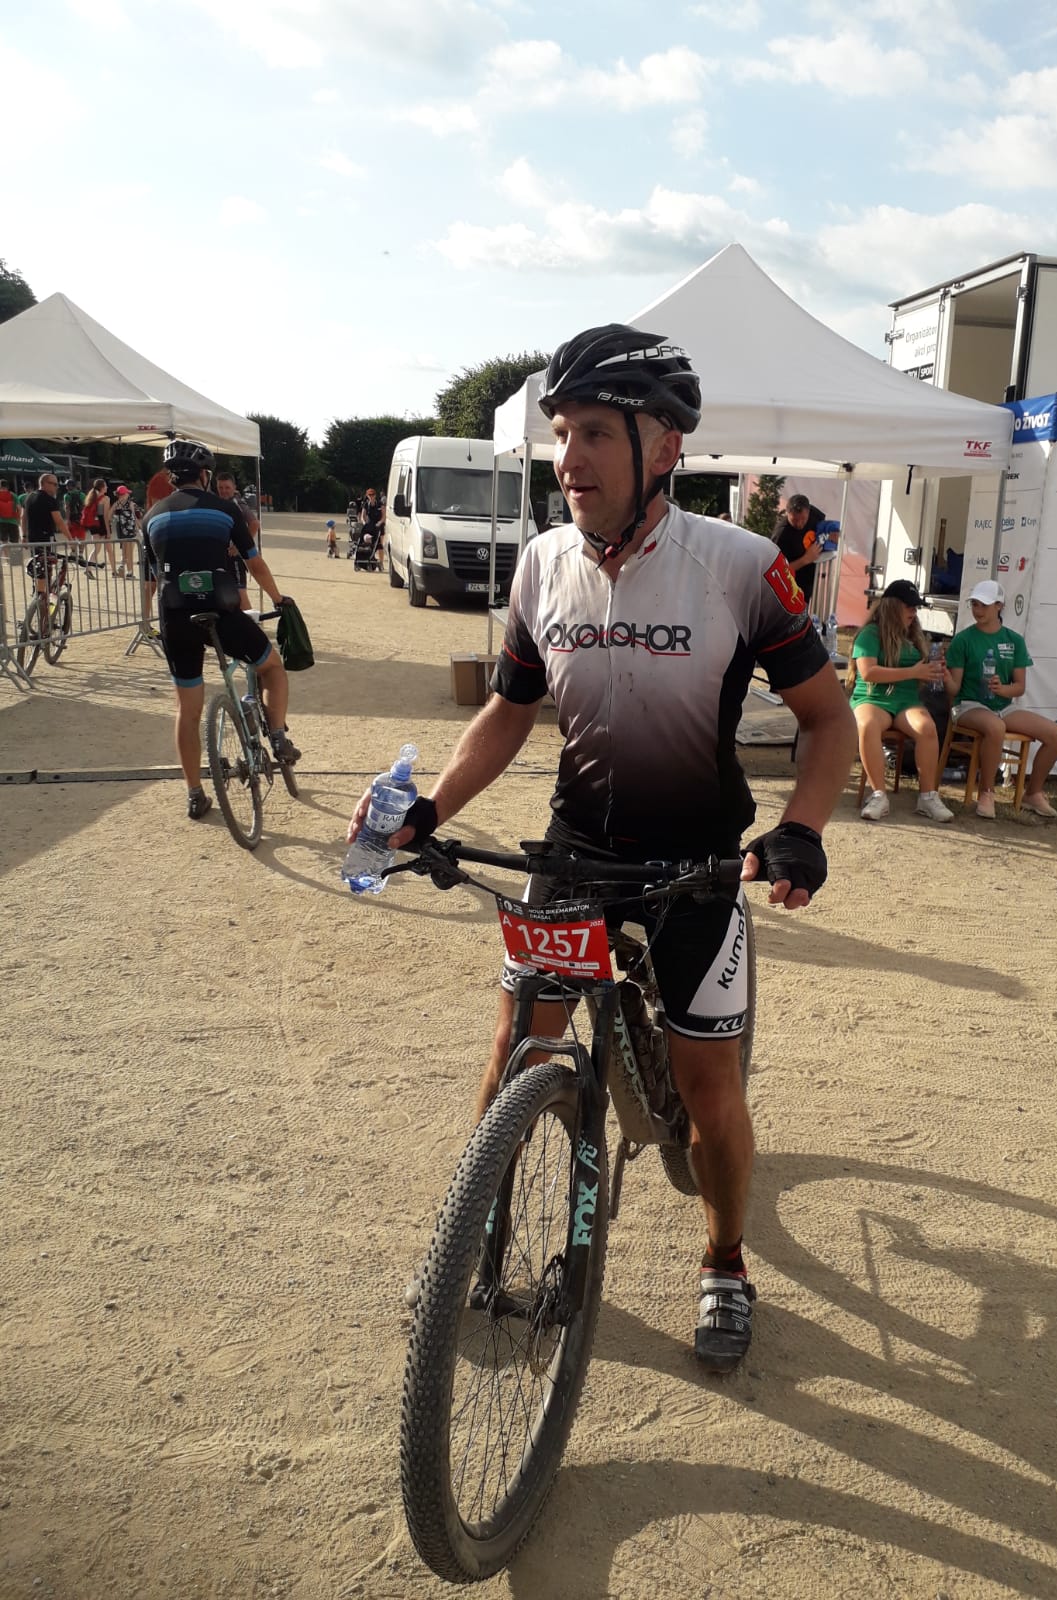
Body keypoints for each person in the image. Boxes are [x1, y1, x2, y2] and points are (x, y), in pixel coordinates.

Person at [348, 325, 857, 1372]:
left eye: (591, 433)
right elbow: (507, 711)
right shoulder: (541, 564)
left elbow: (826, 719)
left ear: (663, 446)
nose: (567, 459)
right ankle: (476, 1244)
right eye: (560, 435)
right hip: (576, 854)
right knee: (518, 1047)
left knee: (708, 1089)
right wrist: (430, 809)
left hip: (694, 865)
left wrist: (800, 828)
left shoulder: (742, 566)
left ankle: (724, 1260)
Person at [144, 441, 300, 821]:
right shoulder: (225, 509)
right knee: (272, 668)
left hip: (175, 616)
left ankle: (195, 794)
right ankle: (277, 736)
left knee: (187, 710)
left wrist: (148, 618)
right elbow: (254, 563)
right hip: (221, 610)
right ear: (205, 475)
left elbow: (151, 577)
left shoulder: (151, 517)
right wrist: (278, 599)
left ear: (170, 477)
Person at [943, 579, 1057, 820]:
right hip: (968, 705)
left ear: (999, 606)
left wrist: (1002, 689)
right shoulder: (963, 639)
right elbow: (954, 689)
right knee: (995, 726)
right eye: (975, 604)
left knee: (1056, 734)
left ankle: (1033, 793)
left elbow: (1019, 687)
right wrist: (944, 677)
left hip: (1004, 706)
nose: (978, 610)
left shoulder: (1015, 640)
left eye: (984, 605)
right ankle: (987, 793)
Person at [848, 578, 954, 823]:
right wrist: (913, 672)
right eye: (909, 606)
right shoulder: (870, 634)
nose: (914, 612)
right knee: (868, 725)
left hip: (906, 700)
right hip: (872, 698)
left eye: (916, 607)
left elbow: (920, 672)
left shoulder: (914, 635)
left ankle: (928, 797)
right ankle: (878, 795)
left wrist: (933, 670)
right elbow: (868, 673)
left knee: (927, 727)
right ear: (892, 606)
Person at [22, 472, 71, 629]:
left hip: (33, 540)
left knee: (40, 572)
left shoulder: (29, 497)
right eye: (54, 484)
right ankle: (45, 615)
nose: (56, 487)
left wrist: (24, 536)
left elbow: (23, 517)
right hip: (46, 540)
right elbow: (59, 521)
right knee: (47, 576)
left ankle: (39, 599)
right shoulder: (49, 500)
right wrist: (71, 540)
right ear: (44, 484)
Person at [772, 492, 828, 606]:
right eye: (794, 520)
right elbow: (777, 571)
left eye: (803, 519)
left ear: (808, 512)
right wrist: (806, 559)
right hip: (789, 587)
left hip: (810, 580)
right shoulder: (781, 535)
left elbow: (825, 527)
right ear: (787, 514)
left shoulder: (814, 515)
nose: (799, 524)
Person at [214, 471, 260, 610]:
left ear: (234, 487)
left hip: (235, 557)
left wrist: (239, 546)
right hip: (221, 555)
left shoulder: (238, 504)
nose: (224, 491)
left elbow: (254, 524)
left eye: (227, 487)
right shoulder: (218, 502)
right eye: (220, 487)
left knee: (240, 594)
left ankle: (251, 621)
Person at [110, 485, 140, 577]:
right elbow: (135, 517)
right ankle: (129, 572)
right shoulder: (130, 504)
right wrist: (139, 527)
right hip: (129, 530)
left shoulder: (116, 504)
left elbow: (109, 515)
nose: (128, 494)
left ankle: (122, 566)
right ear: (124, 494)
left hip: (121, 530)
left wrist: (115, 519)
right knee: (129, 552)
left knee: (124, 550)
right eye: (127, 493)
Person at [0, 478, 19, 544]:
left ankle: (6, 551)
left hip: (1, 521)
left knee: (4, 542)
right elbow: (19, 508)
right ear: (8, 486)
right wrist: (18, 519)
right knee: (14, 542)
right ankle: (12, 551)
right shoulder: (13, 495)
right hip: (13, 521)